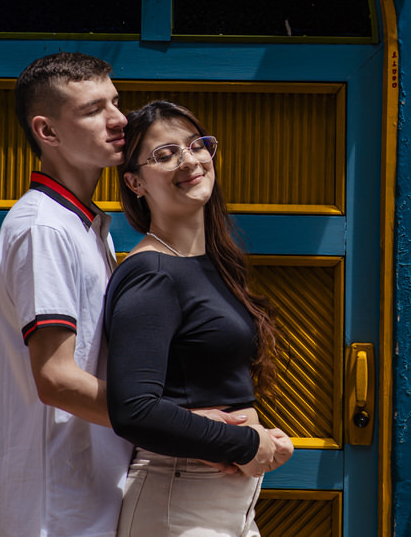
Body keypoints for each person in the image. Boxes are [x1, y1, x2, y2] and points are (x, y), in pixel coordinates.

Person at [105, 100, 293, 537]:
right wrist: (248, 443)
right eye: (164, 154)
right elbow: (134, 410)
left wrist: (262, 443)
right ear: (134, 181)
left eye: (195, 145)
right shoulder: (152, 274)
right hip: (178, 503)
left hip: (227, 506)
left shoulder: (213, 262)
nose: (189, 160)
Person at [0, 52, 134, 537]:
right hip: (60, 512)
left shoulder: (88, 226)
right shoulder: (44, 228)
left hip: (94, 494)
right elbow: (56, 378)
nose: (119, 120)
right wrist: (175, 422)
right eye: (93, 110)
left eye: (116, 102)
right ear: (47, 132)